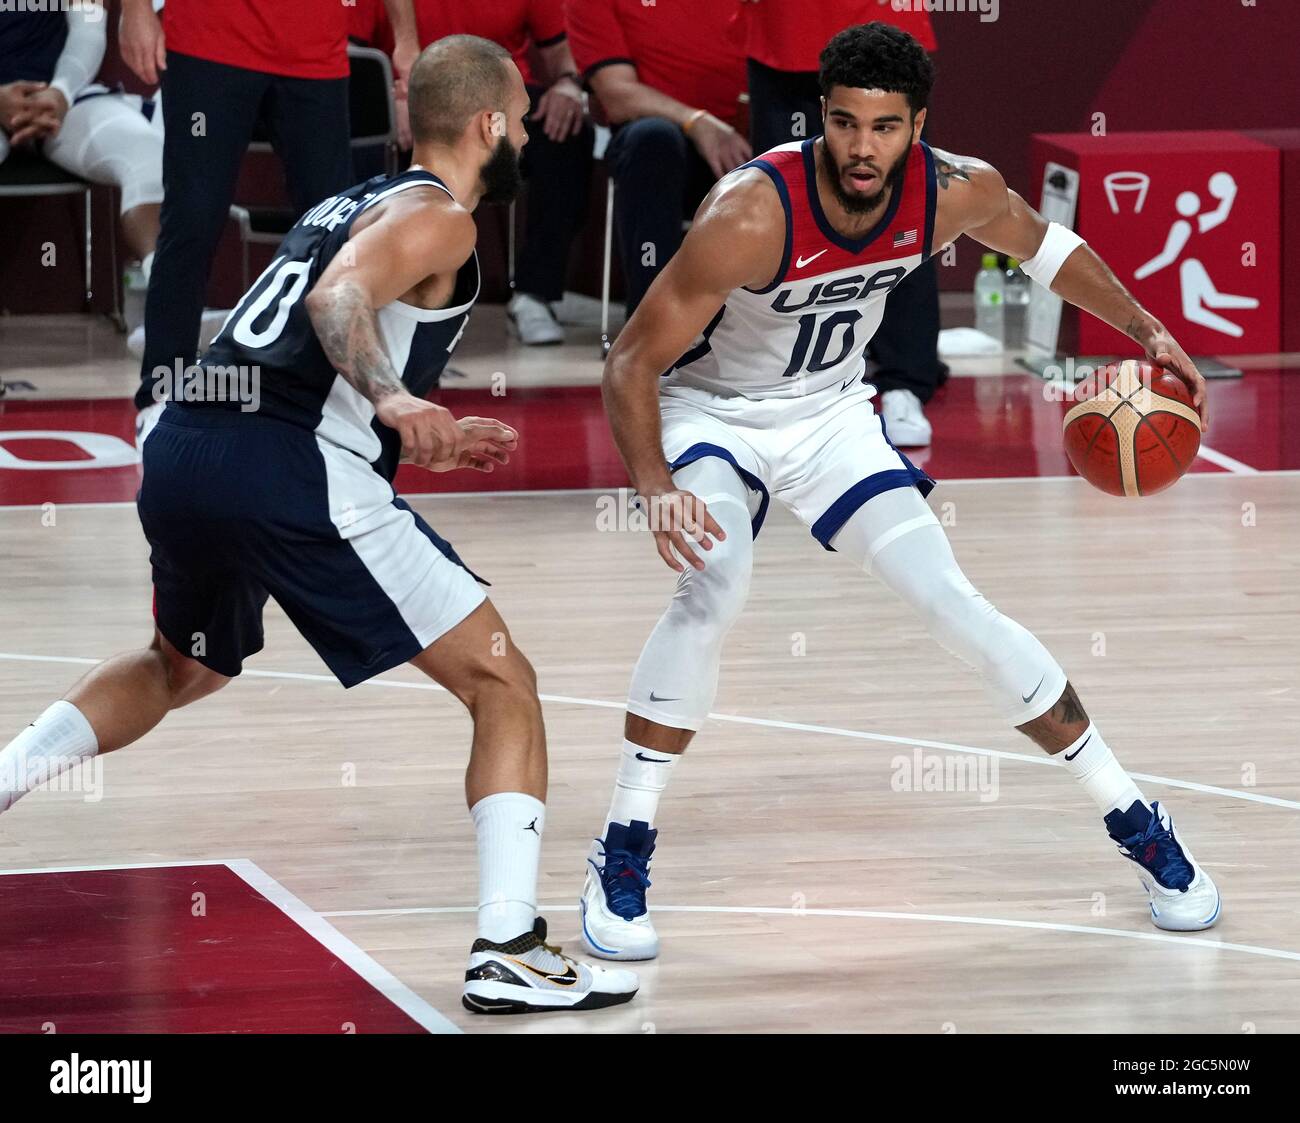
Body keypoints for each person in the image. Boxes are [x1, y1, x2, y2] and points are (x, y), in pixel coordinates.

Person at [0, 35, 637, 1016]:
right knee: (503, 678)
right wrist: (389, 402)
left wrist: (424, 432)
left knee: (184, 663)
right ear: (490, 125)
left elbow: (306, 327)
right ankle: (508, 944)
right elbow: (340, 301)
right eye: (518, 120)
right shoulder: (440, 219)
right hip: (285, 467)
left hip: (186, 447)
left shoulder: (352, 202)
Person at [577, 23, 1220, 964]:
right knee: (717, 583)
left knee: (953, 601)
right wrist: (652, 485)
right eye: (844, 125)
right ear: (821, 119)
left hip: (831, 414)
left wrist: (1146, 325)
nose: (862, 147)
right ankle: (622, 847)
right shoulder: (750, 212)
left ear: (917, 125)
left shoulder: (957, 191)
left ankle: (1137, 822)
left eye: (884, 127)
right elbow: (631, 358)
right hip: (711, 411)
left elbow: (1048, 250)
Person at [121, 0, 421, 447]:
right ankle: (161, 398)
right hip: (209, 38)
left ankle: (335, 398)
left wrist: (407, 39)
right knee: (192, 222)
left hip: (313, 47)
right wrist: (135, 9)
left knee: (335, 236)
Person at [739, 0, 945, 446]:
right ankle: (776, 386)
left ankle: (904, 384)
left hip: (884, 26)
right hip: (784, 34)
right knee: (781, 213)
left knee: (902, 212)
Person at [350, 0, 595, 346]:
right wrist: (390, 95)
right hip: (411, 102)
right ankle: (397, 296)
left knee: (567, 134)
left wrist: (569, 83)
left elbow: (558, 52)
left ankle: (535, 294)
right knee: (368, 130)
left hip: (502, 103)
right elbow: (354, 56)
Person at [565, 0, 750, 315]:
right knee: (653, 140)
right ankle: (652, 323)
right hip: (660, 146)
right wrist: (697, 122)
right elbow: (617, 94)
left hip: (749, 138)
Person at [0, 1, 163, 274]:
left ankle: (168, 299)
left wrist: (61, 92)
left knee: (149, 155)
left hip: (58, 96)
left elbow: (88, 28)